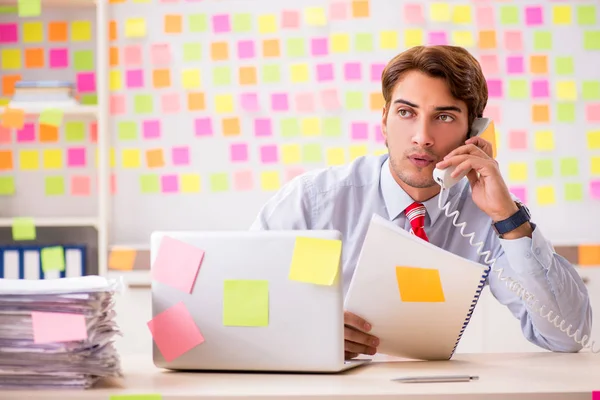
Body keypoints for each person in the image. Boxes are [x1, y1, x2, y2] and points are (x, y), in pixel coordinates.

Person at [250, 45, 592, 359]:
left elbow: (567, 337)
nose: (422, 137)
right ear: (384, 119)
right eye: (405, 112)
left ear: (473, 132)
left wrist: (509, 219)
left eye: (444, 117)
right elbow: (239, 301)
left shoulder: (490, 213)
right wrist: (301, 330)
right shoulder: (314, 202)